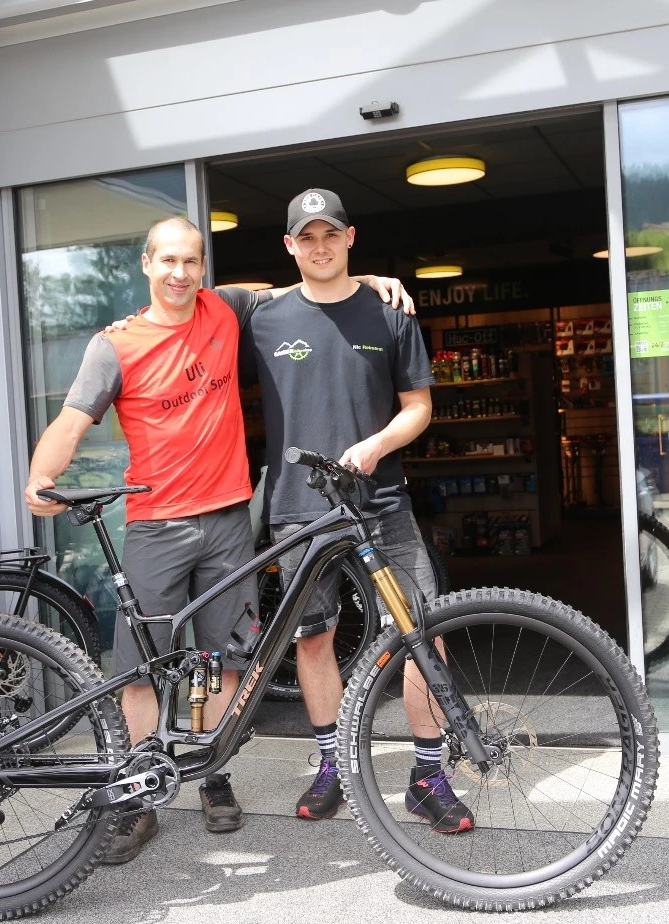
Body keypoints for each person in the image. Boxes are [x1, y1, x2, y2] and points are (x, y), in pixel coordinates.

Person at [24, 216, 412, 864]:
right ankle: (136, 801)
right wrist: (42, 474)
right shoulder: (115, 344)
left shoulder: (224, 309)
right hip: (156, 525)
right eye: (168, 260)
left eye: (191, 262)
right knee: (143, 671)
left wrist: (363, 280)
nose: (179, 273)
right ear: (146, 264)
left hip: (230, 520)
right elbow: (73, 418)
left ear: (202, 268)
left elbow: (302, 288)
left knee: (222, 662)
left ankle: (213, 776)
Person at [239, 189, 474, 834]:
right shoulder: (264, 316)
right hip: (298, 506)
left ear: (351, 238)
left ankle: (428, 775)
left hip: (382, 502)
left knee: (421, 631)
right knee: (313, 636)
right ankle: (332, 765)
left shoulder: (390, 312)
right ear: (290, 246)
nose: (320, 247)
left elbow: (418, 408)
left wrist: (375, 446)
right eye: (306, 238)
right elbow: (192, 299)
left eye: (331, 235)